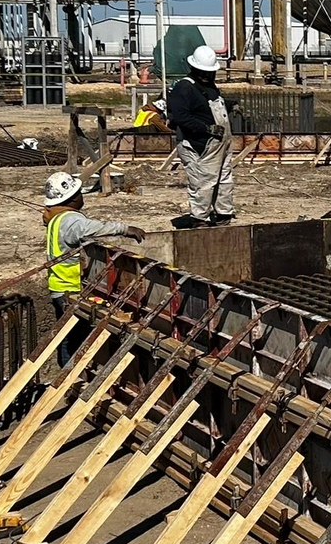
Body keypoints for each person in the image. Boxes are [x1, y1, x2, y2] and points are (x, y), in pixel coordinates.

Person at [41, 172, 144, 366]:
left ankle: (67, 374)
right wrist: (125, 229)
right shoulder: (71, 220)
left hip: (58, 287)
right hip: (71, 290)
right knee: (76, 339)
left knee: (67, 336)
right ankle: (70, 376)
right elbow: (93, 228)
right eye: (79, 193)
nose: (82, 196)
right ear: (71, 198)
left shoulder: (55, 219)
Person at [166, 45, 234, 228]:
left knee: (224, 179)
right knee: (203, 182)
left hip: (220, 143)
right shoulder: (184, 88)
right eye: (203, 72)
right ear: (194, 68)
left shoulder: (209, 86)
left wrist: (231, 105)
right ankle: (199, 219)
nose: (206, 76)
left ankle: (223, 213)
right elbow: (182, 117)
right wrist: (207, 129)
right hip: (200, 144)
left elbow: (205, 106)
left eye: (209, 73)